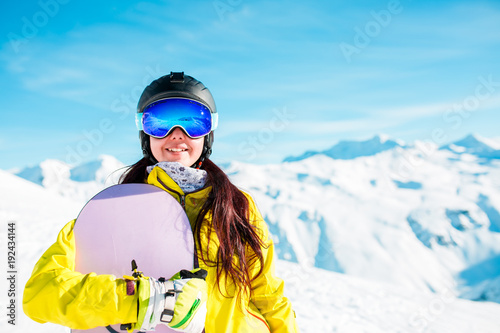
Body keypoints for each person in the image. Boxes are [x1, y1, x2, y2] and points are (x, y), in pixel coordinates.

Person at [23, 72, 299, 332]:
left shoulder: (237, 205)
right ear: (145, 134)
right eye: (160, 121)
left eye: (194, 121)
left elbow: (268, 296)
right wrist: (147, 300)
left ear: (208, 134)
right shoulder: (115, 208)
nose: (177, 134)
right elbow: (41, 292)